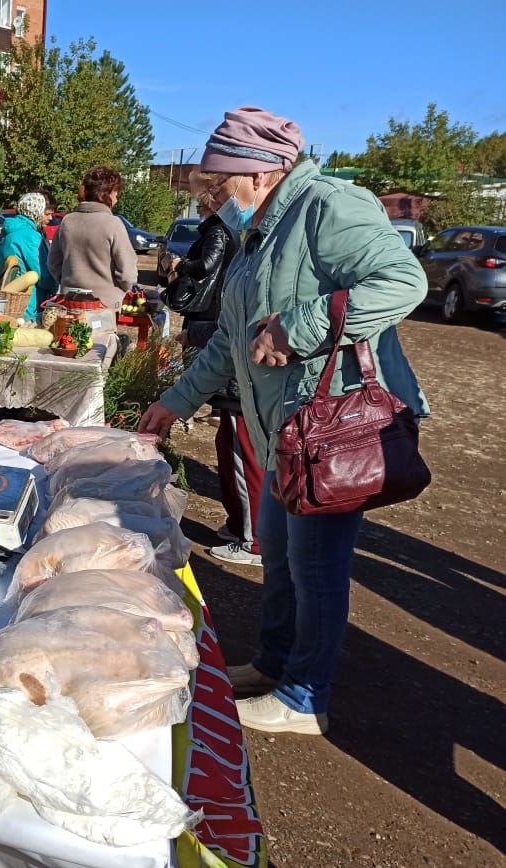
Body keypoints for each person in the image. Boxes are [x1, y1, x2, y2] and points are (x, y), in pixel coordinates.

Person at [138, 107, 428, 736]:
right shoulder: (259, 231)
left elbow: (404, 281)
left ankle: (304, 696)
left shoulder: (328, 207)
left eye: (221, 188)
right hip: (282, 433)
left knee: (317, 566)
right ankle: (273, 664)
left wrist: (300, 328)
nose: (214, 203)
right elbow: (234, 342)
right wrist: (177, 400)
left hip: (328, 430)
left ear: (263, 173)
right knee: (280, 559)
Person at [162, 191, 260, 567]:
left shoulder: (226, 236)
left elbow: (234, 329)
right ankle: (239, 526)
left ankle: (253, 541)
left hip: (241, 379)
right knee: (229, 448)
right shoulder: (244, 244)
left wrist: (183, 266)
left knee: (242, 455)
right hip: (234, 372)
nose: (202, 205)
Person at [47, 166, 137, 312]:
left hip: (69, 301)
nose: (116, 198)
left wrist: (68, 282)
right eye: (116, 193)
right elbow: (127, 273)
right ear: (106, 192)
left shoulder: (67, 221)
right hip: (104, 306)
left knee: (69, 335)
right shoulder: (113, 224)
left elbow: (53, 262)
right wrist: (119, 290)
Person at [0, 190, 58, 324]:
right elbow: (43, 274)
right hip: (29, 306)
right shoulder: (30, 236)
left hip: (10, 303)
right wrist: (57, 287)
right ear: (35, 212)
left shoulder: (8, 231)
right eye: (47, 214)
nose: (51, 218)